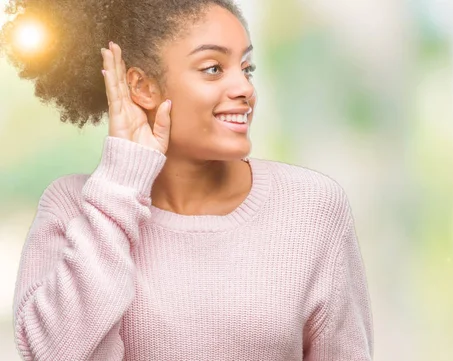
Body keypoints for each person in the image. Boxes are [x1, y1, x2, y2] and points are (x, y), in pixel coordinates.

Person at [2, 0, 374, 359]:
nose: (245, 89)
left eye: (246, 67)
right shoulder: (73, 207)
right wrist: (122, 179)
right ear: (142, 87)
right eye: (213, 68)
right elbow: (52, 353)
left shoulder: (311, 206)